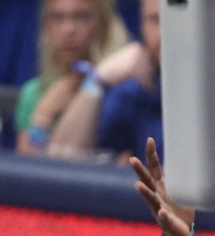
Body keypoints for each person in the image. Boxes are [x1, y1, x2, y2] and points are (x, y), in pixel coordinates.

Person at [14, 0, 131, 155]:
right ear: (46, 26)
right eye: (57, 18)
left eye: (81, 17)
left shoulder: (126, 90)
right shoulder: (34, 92)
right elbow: (23, 173)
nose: (68, 30)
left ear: (104, 23)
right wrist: (43, 114)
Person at [48, 0, 159, 162]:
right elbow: (61, 160)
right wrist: (96, 80)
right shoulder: (133, 92)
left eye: (81, 17)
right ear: (141, 26)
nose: (164, 34)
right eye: (155, 20)